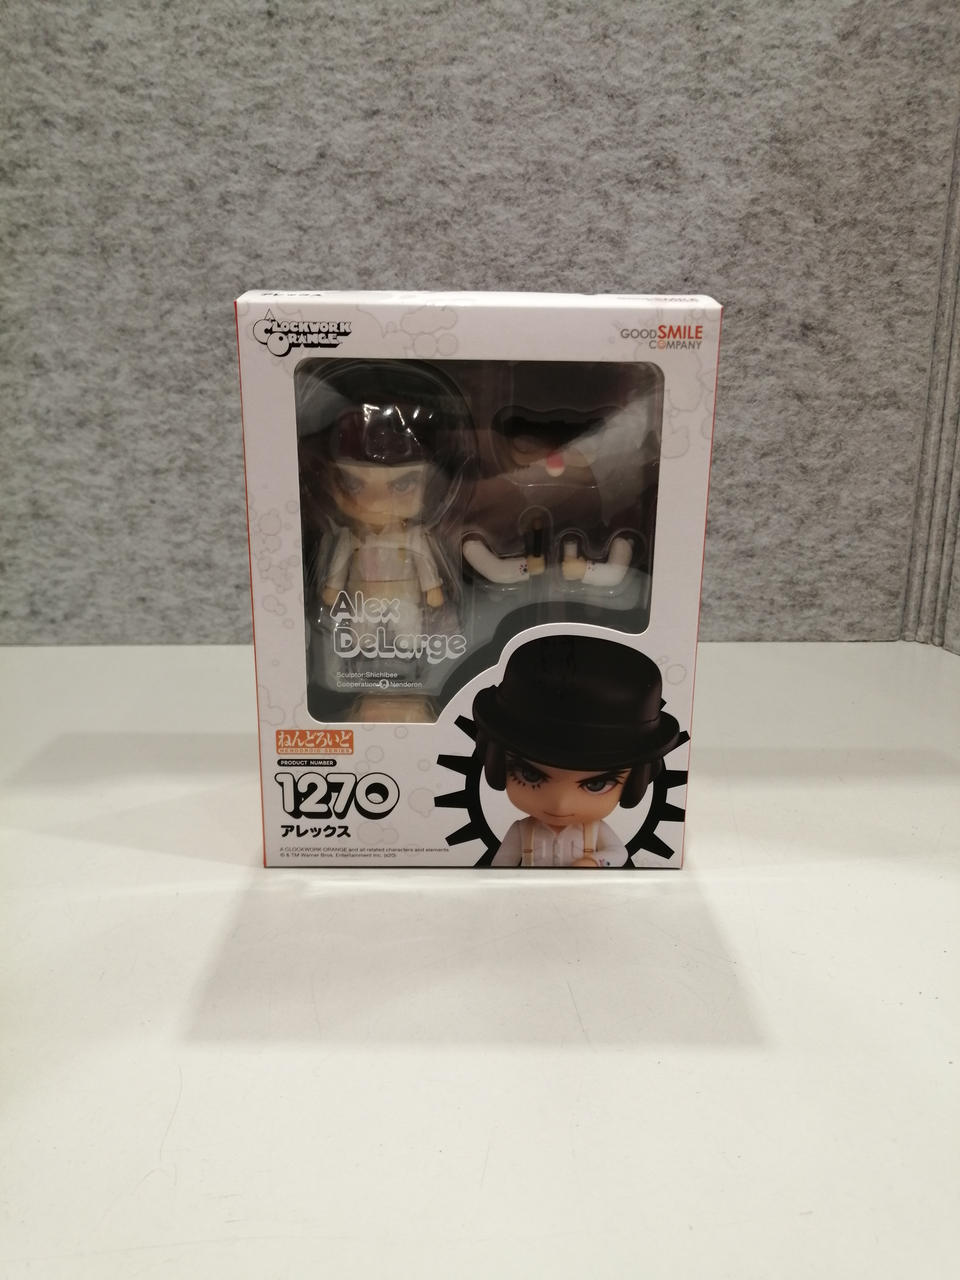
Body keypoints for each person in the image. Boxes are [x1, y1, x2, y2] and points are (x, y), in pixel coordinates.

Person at [471, 634, 680, 867]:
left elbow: (618, 853)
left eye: (596, 784)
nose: (560, 804)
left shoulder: (595, 831)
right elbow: (502, 864)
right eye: (530, 775)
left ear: (634, 783)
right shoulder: (521, 830)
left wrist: (595, 861)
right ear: (496, 764)